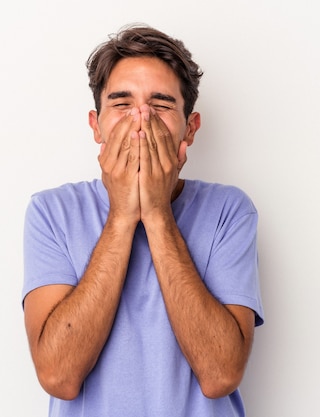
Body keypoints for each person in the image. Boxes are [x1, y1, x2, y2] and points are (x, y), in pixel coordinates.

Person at [22, 24, 264, 417]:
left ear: (190, 128)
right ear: (96, 124)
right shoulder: (52, 212)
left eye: (162, 105)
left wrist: (156, 212)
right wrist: (121, 216)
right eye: (121, 103)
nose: (141, 121)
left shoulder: (229, 211)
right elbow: (58, 376)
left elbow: (221, 374)